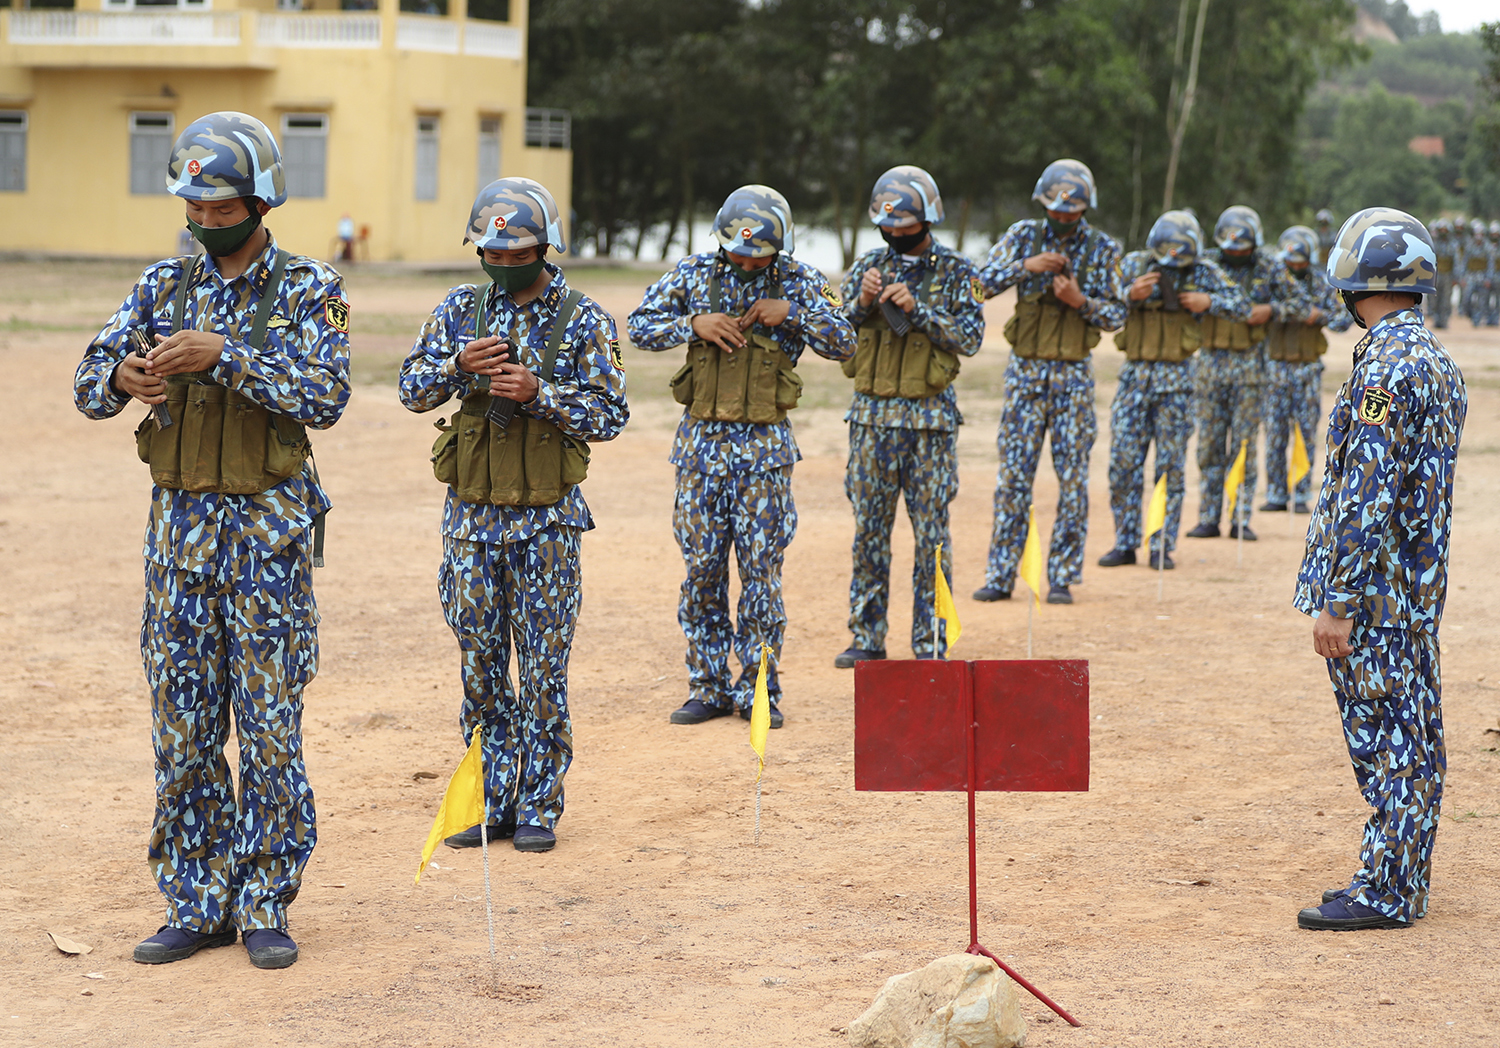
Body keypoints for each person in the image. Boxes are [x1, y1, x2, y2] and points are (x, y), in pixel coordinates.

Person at [73, 111, 351, 969]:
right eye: (195, 203)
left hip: (266, 543)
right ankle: (195, 902)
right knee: (184, 730)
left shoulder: (309, 288)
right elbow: (89, 382)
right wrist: (122, 375)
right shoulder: (162, 284)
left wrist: (225, 356)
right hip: (180, 545)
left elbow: (325, 395)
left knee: (269, 727)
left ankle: (265, 901)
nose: (207, 217)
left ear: (263, 200)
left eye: (225, 204)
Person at [398, 178, 628, 852]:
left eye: (515, 253)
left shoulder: (583, 319)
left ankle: (539, 805)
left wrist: (540, 393)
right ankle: (490, 798)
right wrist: (455, 366)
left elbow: (611, 413)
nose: (500, 264)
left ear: (546, 246)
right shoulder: (458, 311)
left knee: (544, 668)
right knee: (481, 664)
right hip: (470, 521)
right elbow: (411, 389)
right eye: (489, 254)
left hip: (547, 524)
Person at [1294, 207, 1465, 931]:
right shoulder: (1433, 361)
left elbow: (1365, 495)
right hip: (1412, 593)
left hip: (1376, 599)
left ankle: (1388, 892)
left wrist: (1339, 601)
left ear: (1357, 278)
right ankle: (1403, 878)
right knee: (1415, 737)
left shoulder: (1386, 369)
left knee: (1391, 742)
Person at [628, 186, 853, 723]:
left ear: (780, 248)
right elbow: (637, 326)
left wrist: (792, 313)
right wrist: (692, 324)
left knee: (760, 574)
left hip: (764, 456)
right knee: (702, 572)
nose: (746, 261)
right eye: (737, 251)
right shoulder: (693, 274)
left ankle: (758, 690)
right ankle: (707, 687)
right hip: (700, 451)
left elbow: (846, 341)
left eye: (758, 255)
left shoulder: (799, 280)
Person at [833, 166, 984, 665]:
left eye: (906, 229)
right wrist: (859, 303)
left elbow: (971, 338)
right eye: (887, 229)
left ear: (928, 221)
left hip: (929, 426)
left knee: (932, 537)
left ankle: (931, 643)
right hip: (872, 424)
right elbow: (835, 338)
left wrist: (919, 311)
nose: (896, 237)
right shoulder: (867, 266)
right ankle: (867, 638)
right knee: (869, 533)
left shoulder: (959, 272)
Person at [974, 159, 1125, 604]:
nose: (1062, 218)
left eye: (1071, 212)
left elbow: (1118, 314)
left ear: (1085, 209)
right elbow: (977, 286)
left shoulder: (1102, 248)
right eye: (1055, 210)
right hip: (1025, 373)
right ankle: (1001, 575)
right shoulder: (1022, 235)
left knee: (1073, 480)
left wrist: (1081, 302)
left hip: (1073, 376)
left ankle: (1060, 576)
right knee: (1014, 478)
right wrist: (1027, 266)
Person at [1098, 211, 1247, 570]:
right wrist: (1128, 294)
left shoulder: (1201, 271)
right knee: (1123, 464)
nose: (1175, 259)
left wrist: (1207, 302)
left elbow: (1241, 305)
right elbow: (1100, 303)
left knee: (1170, 468)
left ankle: (1161, 544)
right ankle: (1125, 542)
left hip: (1178, 383)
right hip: (1134, 379)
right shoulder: (1134, 264)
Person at [1185, 205, 1309, 542]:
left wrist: (1272, 309)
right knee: (1209, 444)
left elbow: (1301, 302)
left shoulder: (1269, 266)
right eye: (1230, 247)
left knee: (1244, 445)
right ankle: (1208, 517)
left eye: (1242, 248)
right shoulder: (1206, 264)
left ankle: (1240, 518)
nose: (1235, 253)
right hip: (1210, 364)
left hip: (1251, 367)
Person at [1260, 225, 1353, 514]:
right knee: (1275, 433)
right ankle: (1276, 493)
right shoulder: (1272, 281)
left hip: (1307, 369)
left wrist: (1319, 317)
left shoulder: (1321, 284)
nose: (1294, 267)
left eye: (1300, 262)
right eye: (1290, 262)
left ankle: (1300, 493)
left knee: (1305, 432)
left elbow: (1343, 319)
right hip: (1275, 367)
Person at [1428, 217, 1455, 329]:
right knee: (1434, 299)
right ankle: (1436, 319)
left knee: (1446, 299)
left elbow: (1456, 262)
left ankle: (1444, 321)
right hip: (1435, 275)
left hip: (1447, 275)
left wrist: (1456, 277)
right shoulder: (1433, 244)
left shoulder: (1453, 245)